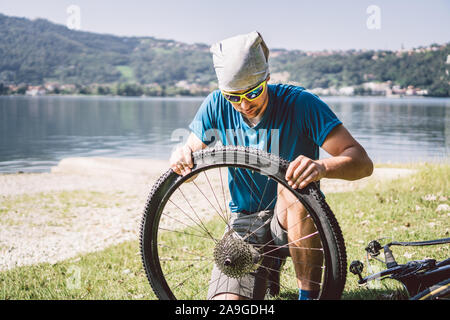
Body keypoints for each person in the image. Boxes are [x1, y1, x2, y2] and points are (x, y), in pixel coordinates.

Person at [169, 31, 373, 300]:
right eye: (233, 96)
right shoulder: (216, 105)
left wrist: (322, 167)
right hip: (245, 224)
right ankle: (267, 269)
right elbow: (191, 158)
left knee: (292, 188)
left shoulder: (301, 104)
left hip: (294, 222)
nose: (244, 104)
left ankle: (307, 296)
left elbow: (361, 162)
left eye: (253, 92)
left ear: (267, 78)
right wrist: (181, 155)